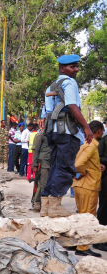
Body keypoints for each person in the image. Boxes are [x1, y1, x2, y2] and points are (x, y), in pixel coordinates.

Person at [41, 54, 94, 218]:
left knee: (55, 166)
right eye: (72, 67)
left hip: (53, 131)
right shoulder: (69, 83)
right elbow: (72, 105)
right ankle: (56, 205)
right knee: (65, 167)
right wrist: (86, 127)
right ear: (63, 68)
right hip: (67, 132)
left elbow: (46, 112)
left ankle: (45, 205)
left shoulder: (51, 86)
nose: (76, 69)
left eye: (76, 66)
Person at [72, 121, 104, 256]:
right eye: (103, 130)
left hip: (81, 186)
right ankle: (83, 247)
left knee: (81, 216)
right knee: (87, 217)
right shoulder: (92, 146)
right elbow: (78, 164)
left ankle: (77, 243)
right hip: (88, 186)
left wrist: (96, 167)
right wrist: (85, 172)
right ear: (99, 131)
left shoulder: (86, 144)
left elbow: (83, 162)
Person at [32, 129, 51, 214]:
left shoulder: (54, 134)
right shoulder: (40, 135)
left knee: (45, 184)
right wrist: (34, 164)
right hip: (43, 163)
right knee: (43, 184)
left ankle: (38, 203)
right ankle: (43, 207)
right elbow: (35, 150)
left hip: (51, 162)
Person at [95, 123, 107, 251]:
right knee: (104, 208)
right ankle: (99, 240)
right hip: (105, 176)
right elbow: (98, 157)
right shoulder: (103, 139)